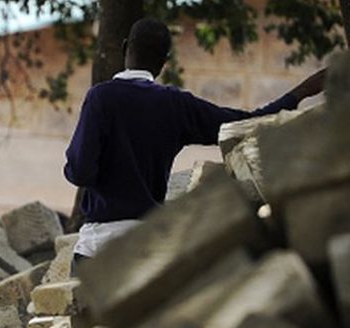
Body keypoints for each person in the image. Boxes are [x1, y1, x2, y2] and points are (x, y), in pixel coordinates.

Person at [65, 17, 327, 263]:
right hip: (148, 248)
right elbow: (243, 124)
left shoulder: (101, 98)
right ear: (164, 61)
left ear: (125, 48)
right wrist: (301, 92)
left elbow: (79, 171)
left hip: (96, 248)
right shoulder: (174, 104)